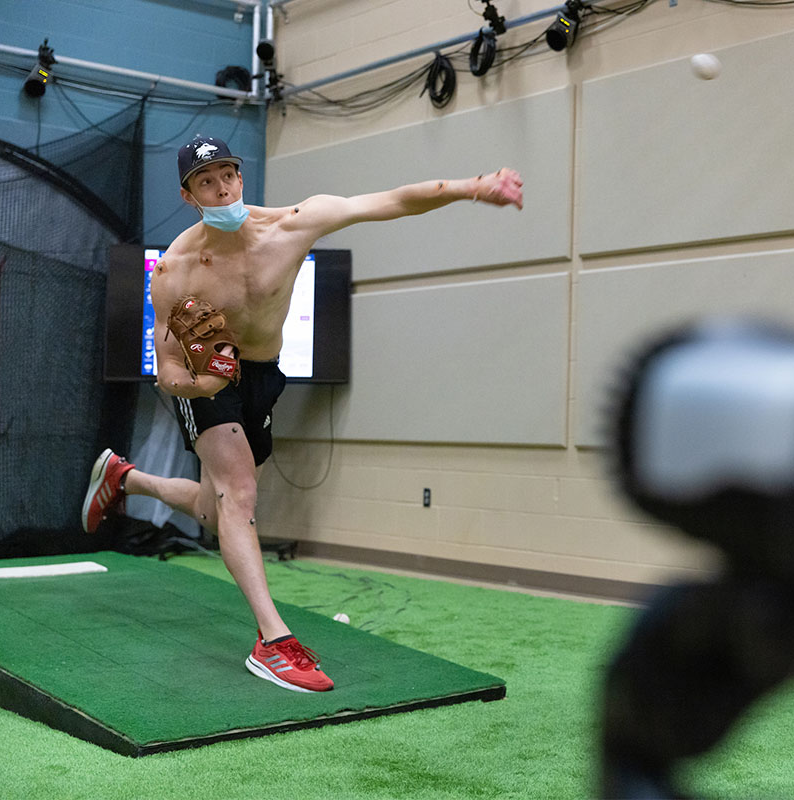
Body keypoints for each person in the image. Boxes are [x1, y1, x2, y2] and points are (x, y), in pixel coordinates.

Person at [81, 135, 523, 692]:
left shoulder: (292, 224)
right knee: (239, 496)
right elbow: (166, 366)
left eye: (227, 175)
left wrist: (474, 187)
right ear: (188, 194)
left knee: (218, 511)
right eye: (206, 181)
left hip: (264, 377)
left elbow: (388, 201)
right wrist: (200, 380)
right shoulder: (175, 269)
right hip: (209, 383)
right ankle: (272, 640)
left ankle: (127, 478)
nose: (222, 188)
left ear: (241, 177)